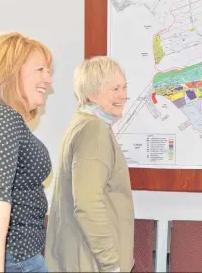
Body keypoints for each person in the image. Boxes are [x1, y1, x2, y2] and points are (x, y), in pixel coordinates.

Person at [0, 32, 53, 272]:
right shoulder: (5, 118)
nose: (48, 79)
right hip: (13, 260)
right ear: (11, 71)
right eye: (40, 69)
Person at [45, 56, 135, 272]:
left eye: (124, 87)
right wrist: (111, 264)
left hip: (81, 257)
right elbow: (87, 204)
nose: (123, 95)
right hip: (91, 262)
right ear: (92, 93)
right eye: (115, 88)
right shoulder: (94, 131)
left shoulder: (82, 124)